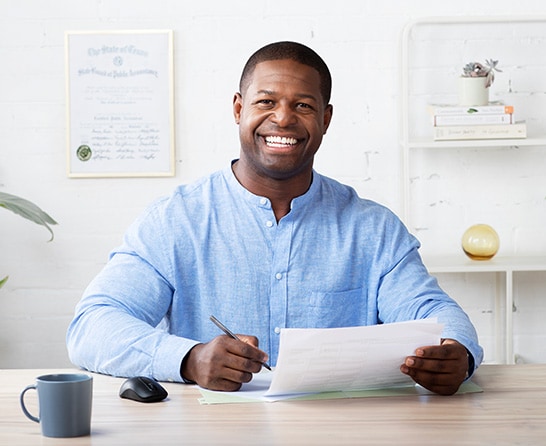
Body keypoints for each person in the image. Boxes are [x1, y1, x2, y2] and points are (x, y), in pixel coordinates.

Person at [66, 41, 483, 396]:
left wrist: (456, 354)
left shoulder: (373, 229)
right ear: (238, 108)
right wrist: (188, 359)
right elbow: (93, 326)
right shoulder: (175, 221)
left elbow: (432, 310)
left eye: (302, 105)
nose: (282, 118)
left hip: (344, 431)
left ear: (325, 119)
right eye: (266, 101)